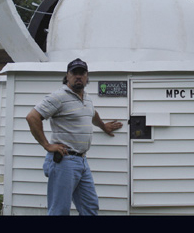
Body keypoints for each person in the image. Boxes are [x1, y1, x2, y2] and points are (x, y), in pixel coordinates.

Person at [26, 58, 123, 215]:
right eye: (74, 73)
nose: (78, 76)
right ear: (67, 76)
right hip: (64, 161)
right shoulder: (59, 97)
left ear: (86, 76)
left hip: (82, 161)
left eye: (82, 73)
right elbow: (32, 117)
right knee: (59, 211)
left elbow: (92, 114)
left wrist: (103, 126)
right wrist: (46, 145)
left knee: (90, 207)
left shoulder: (87, 98)